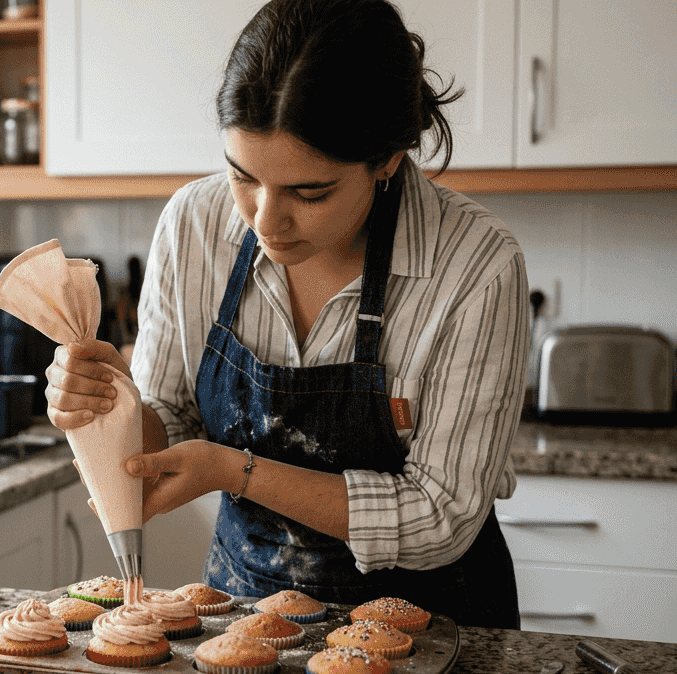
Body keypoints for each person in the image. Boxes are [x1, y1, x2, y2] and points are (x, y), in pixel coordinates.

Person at [44, 0, 528, 629]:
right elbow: (171, 418)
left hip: (435, 635)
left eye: (310, 192)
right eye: (242, 176)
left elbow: (439, 518)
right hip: (243, 620)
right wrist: (109, 410)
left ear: (387, 158)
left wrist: (232, 470)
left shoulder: (475, 264)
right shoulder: (194, 223)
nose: (266, 221)